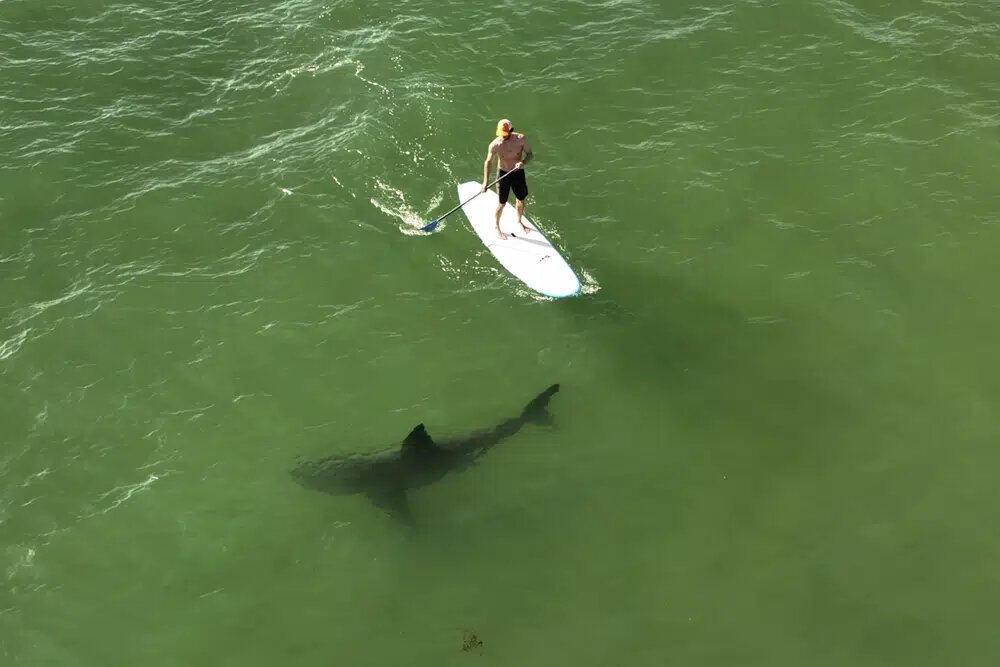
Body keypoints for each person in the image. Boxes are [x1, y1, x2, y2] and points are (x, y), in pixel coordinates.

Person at [482, 118, 533, 240]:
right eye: (500, 134)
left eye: (505, 134)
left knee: (520, 199)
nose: (502, 137)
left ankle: (519, 221)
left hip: (518, 173)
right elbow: (488, 162)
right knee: (502, 203)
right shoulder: (495, 144)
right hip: (503, 174)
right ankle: (497, 226)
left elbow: (530, 154)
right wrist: (485, 182)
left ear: (511, 131)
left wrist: (523, 162)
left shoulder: (521, 139)